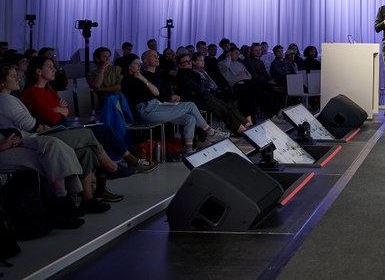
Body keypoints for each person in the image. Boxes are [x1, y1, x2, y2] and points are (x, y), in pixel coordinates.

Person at [1, 64, 126, 212]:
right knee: (88, 134)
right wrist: (52, 116)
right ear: (2, 82)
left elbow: (65, 112)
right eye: (13, 76)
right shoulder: (8, 99)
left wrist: (57, 111)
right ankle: (112, 167)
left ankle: (88, 198)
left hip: (46, 131)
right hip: (37, 136)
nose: (18, 78)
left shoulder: (42, 91)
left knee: (86, 151)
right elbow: (37, 122)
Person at [24, 56, 154, 173]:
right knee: (102, 132)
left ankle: (121, 167)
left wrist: (58, 109)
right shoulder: (32, 92)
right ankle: (129, 162)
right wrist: (59, 109)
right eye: (50, 67)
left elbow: (67, 111)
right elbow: (52, 118)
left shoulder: (49, 89)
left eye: (53, 66)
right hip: (54, 133)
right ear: (38, 71)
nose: (54, 70)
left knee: (104, 130)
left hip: (64, 128)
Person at [120, 52, 228, 154]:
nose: (139, 66)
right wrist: (142, 79)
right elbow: (155, 93)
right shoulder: (129, 79)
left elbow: (156, 92)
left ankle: (188, 150)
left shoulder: (143, 76)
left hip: (157, 106)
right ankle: (210, 132)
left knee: (190, 118)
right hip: (147, 110)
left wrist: (143, 79)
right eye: (136, 64)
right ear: (129, 65)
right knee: (190, 105)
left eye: (139, 64)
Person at [176, 52, 252, 134]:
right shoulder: (183, 75)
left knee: (228, 107)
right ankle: (240, 128)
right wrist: (201, 88)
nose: (189, 63)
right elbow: (199, 88)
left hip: (204, 96)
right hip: (196, 100)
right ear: (179, 65)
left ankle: (245, 123)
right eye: (186, 62)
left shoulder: (192, 73)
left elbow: (203, 86)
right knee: (222, 110)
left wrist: (202, 88)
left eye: (189, 61)